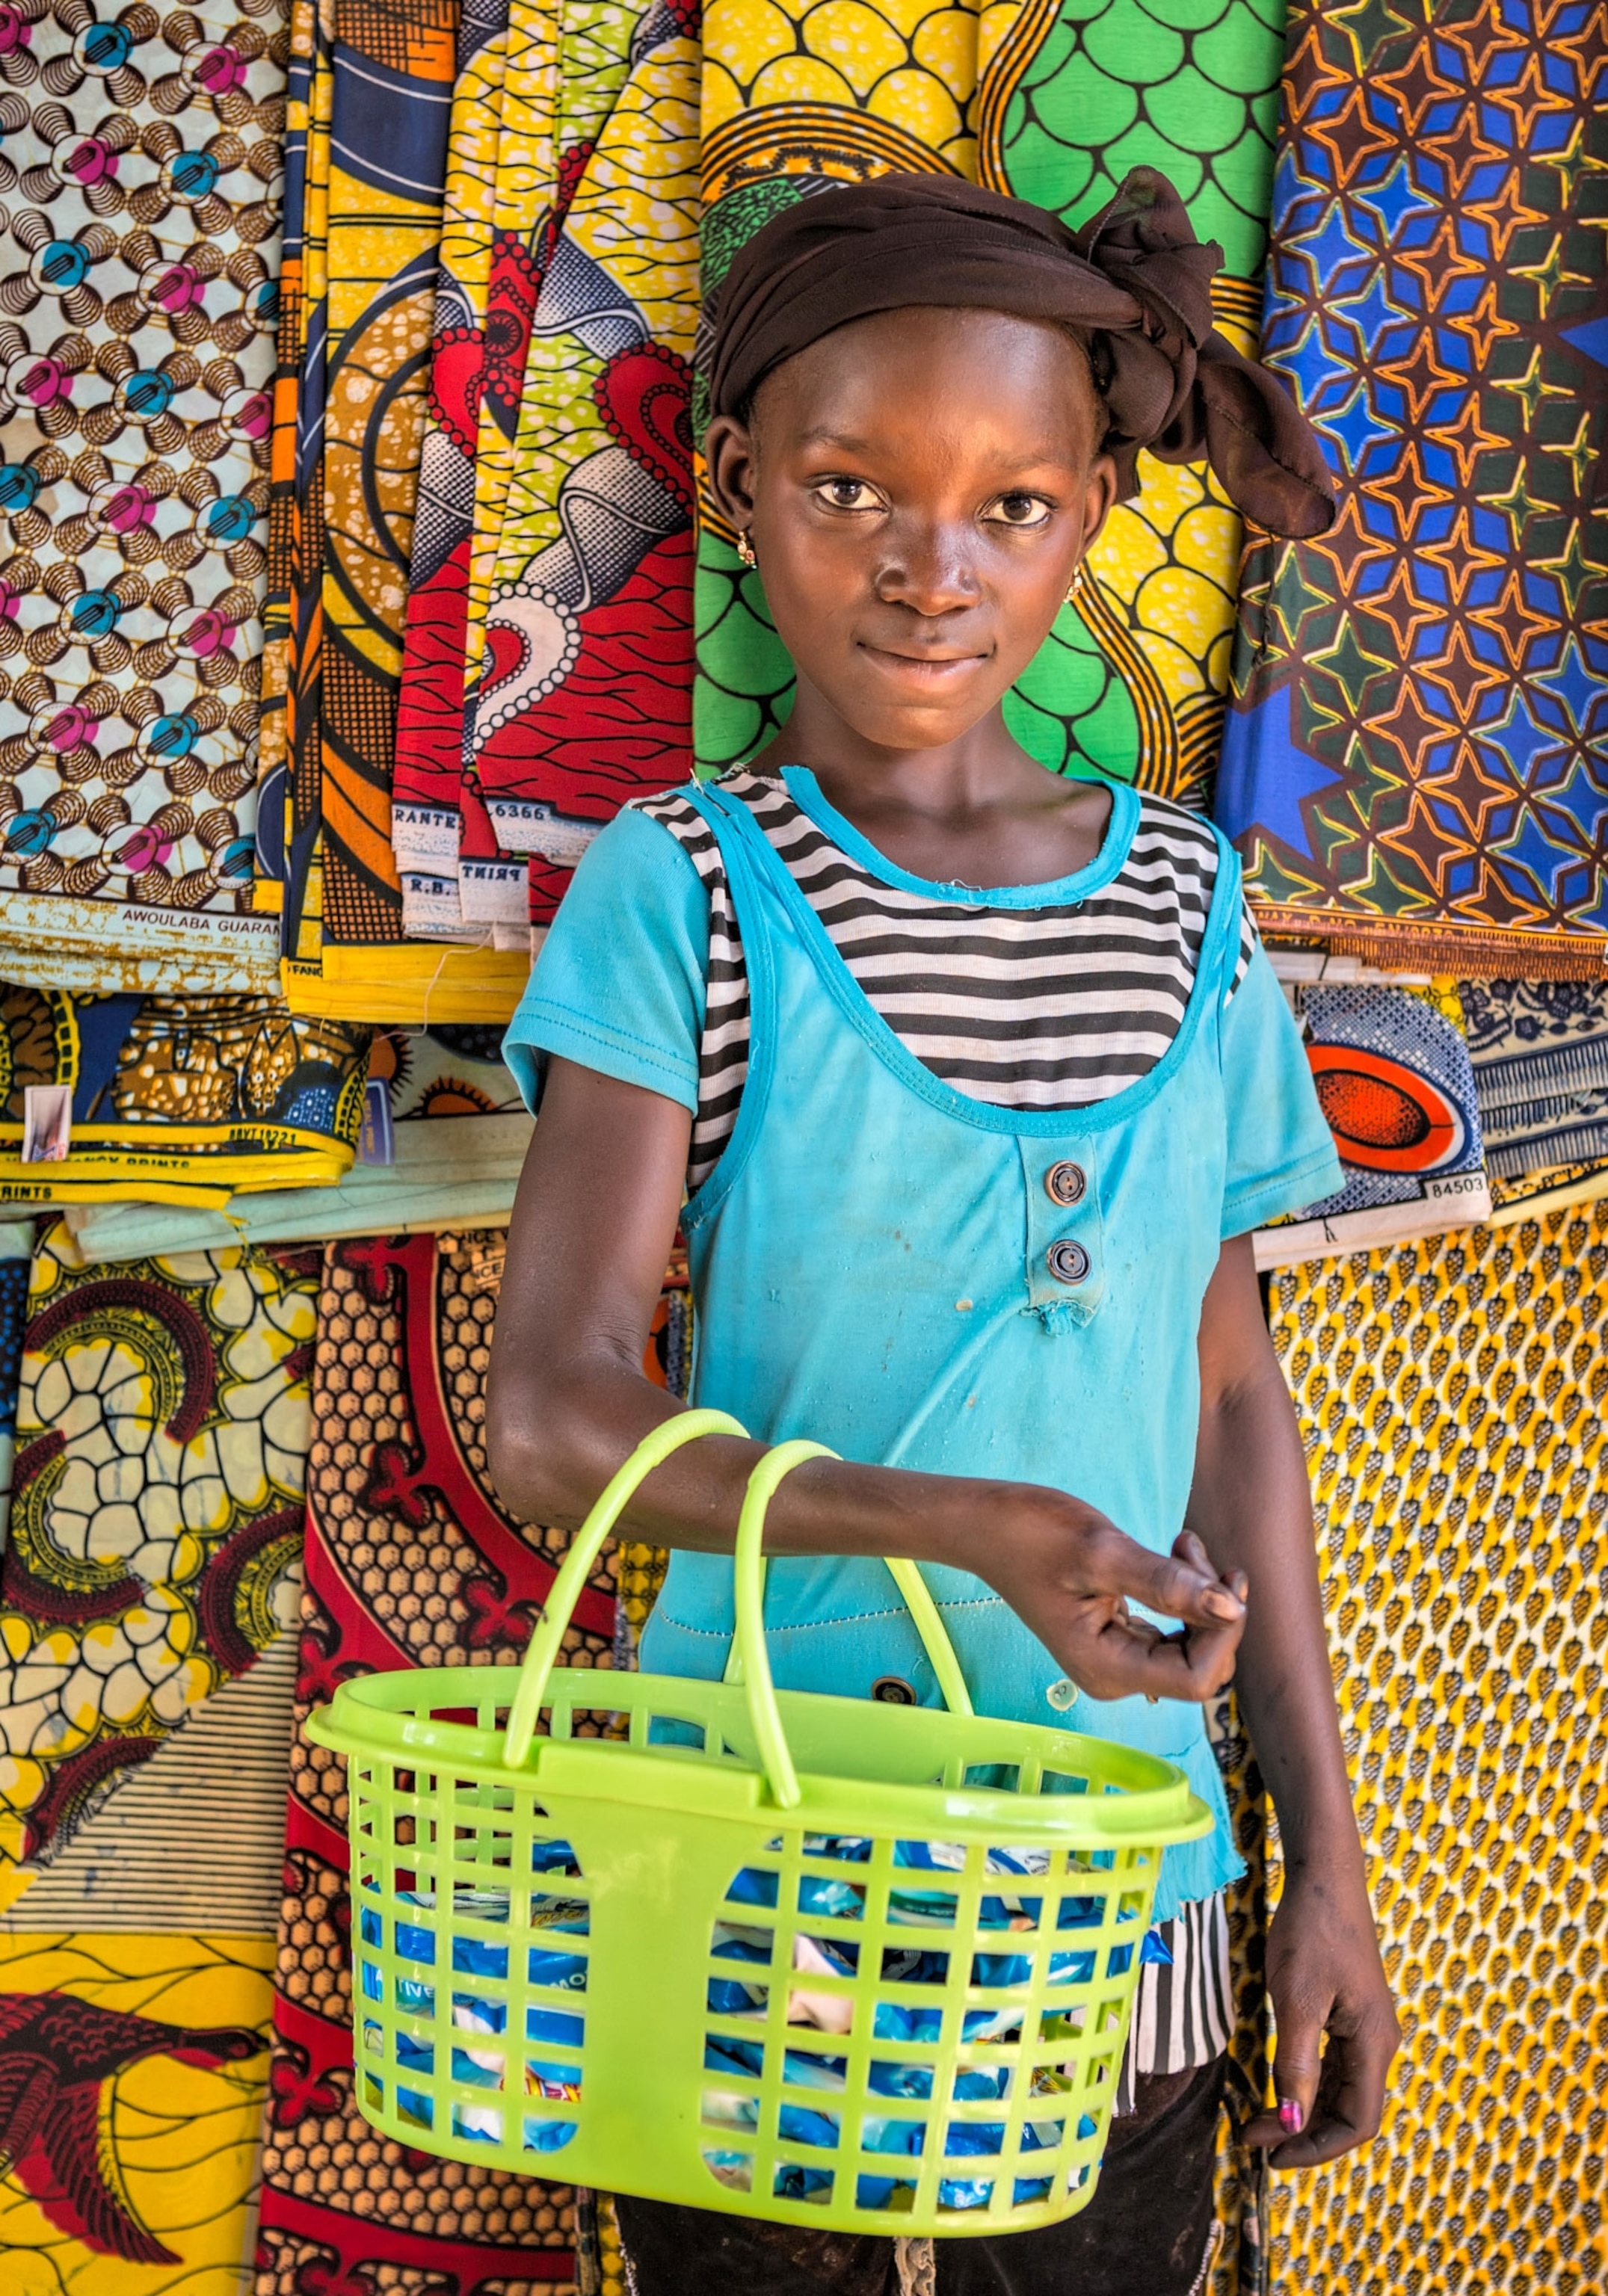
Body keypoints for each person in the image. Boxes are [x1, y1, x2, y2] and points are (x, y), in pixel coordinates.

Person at [487, 169, 1399, 2296]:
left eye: (1012, 507)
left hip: (1124, 1886)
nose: (929, 573)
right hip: (758, 1870)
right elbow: (550, 1422)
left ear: (1089, 520)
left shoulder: (1189, 904)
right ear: (733, 491)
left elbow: (1228, 1396)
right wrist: (974, 1526)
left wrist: (1327, 1871)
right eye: (849, 489)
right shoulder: (689, 889)